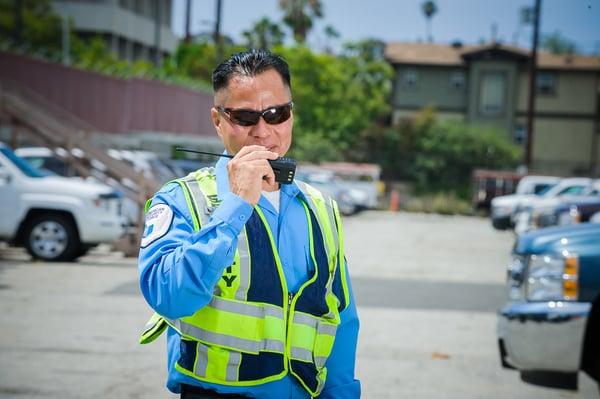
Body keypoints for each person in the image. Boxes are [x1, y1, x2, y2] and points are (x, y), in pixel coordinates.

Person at [138, 49, 361, 399]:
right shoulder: (181, 200)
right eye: (244, 117)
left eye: (277, 113)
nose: (263, 131)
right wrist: (236, 204)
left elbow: (341, 321)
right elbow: (170, 297)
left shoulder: (322, 209)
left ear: (291, 115)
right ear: (217, 121)